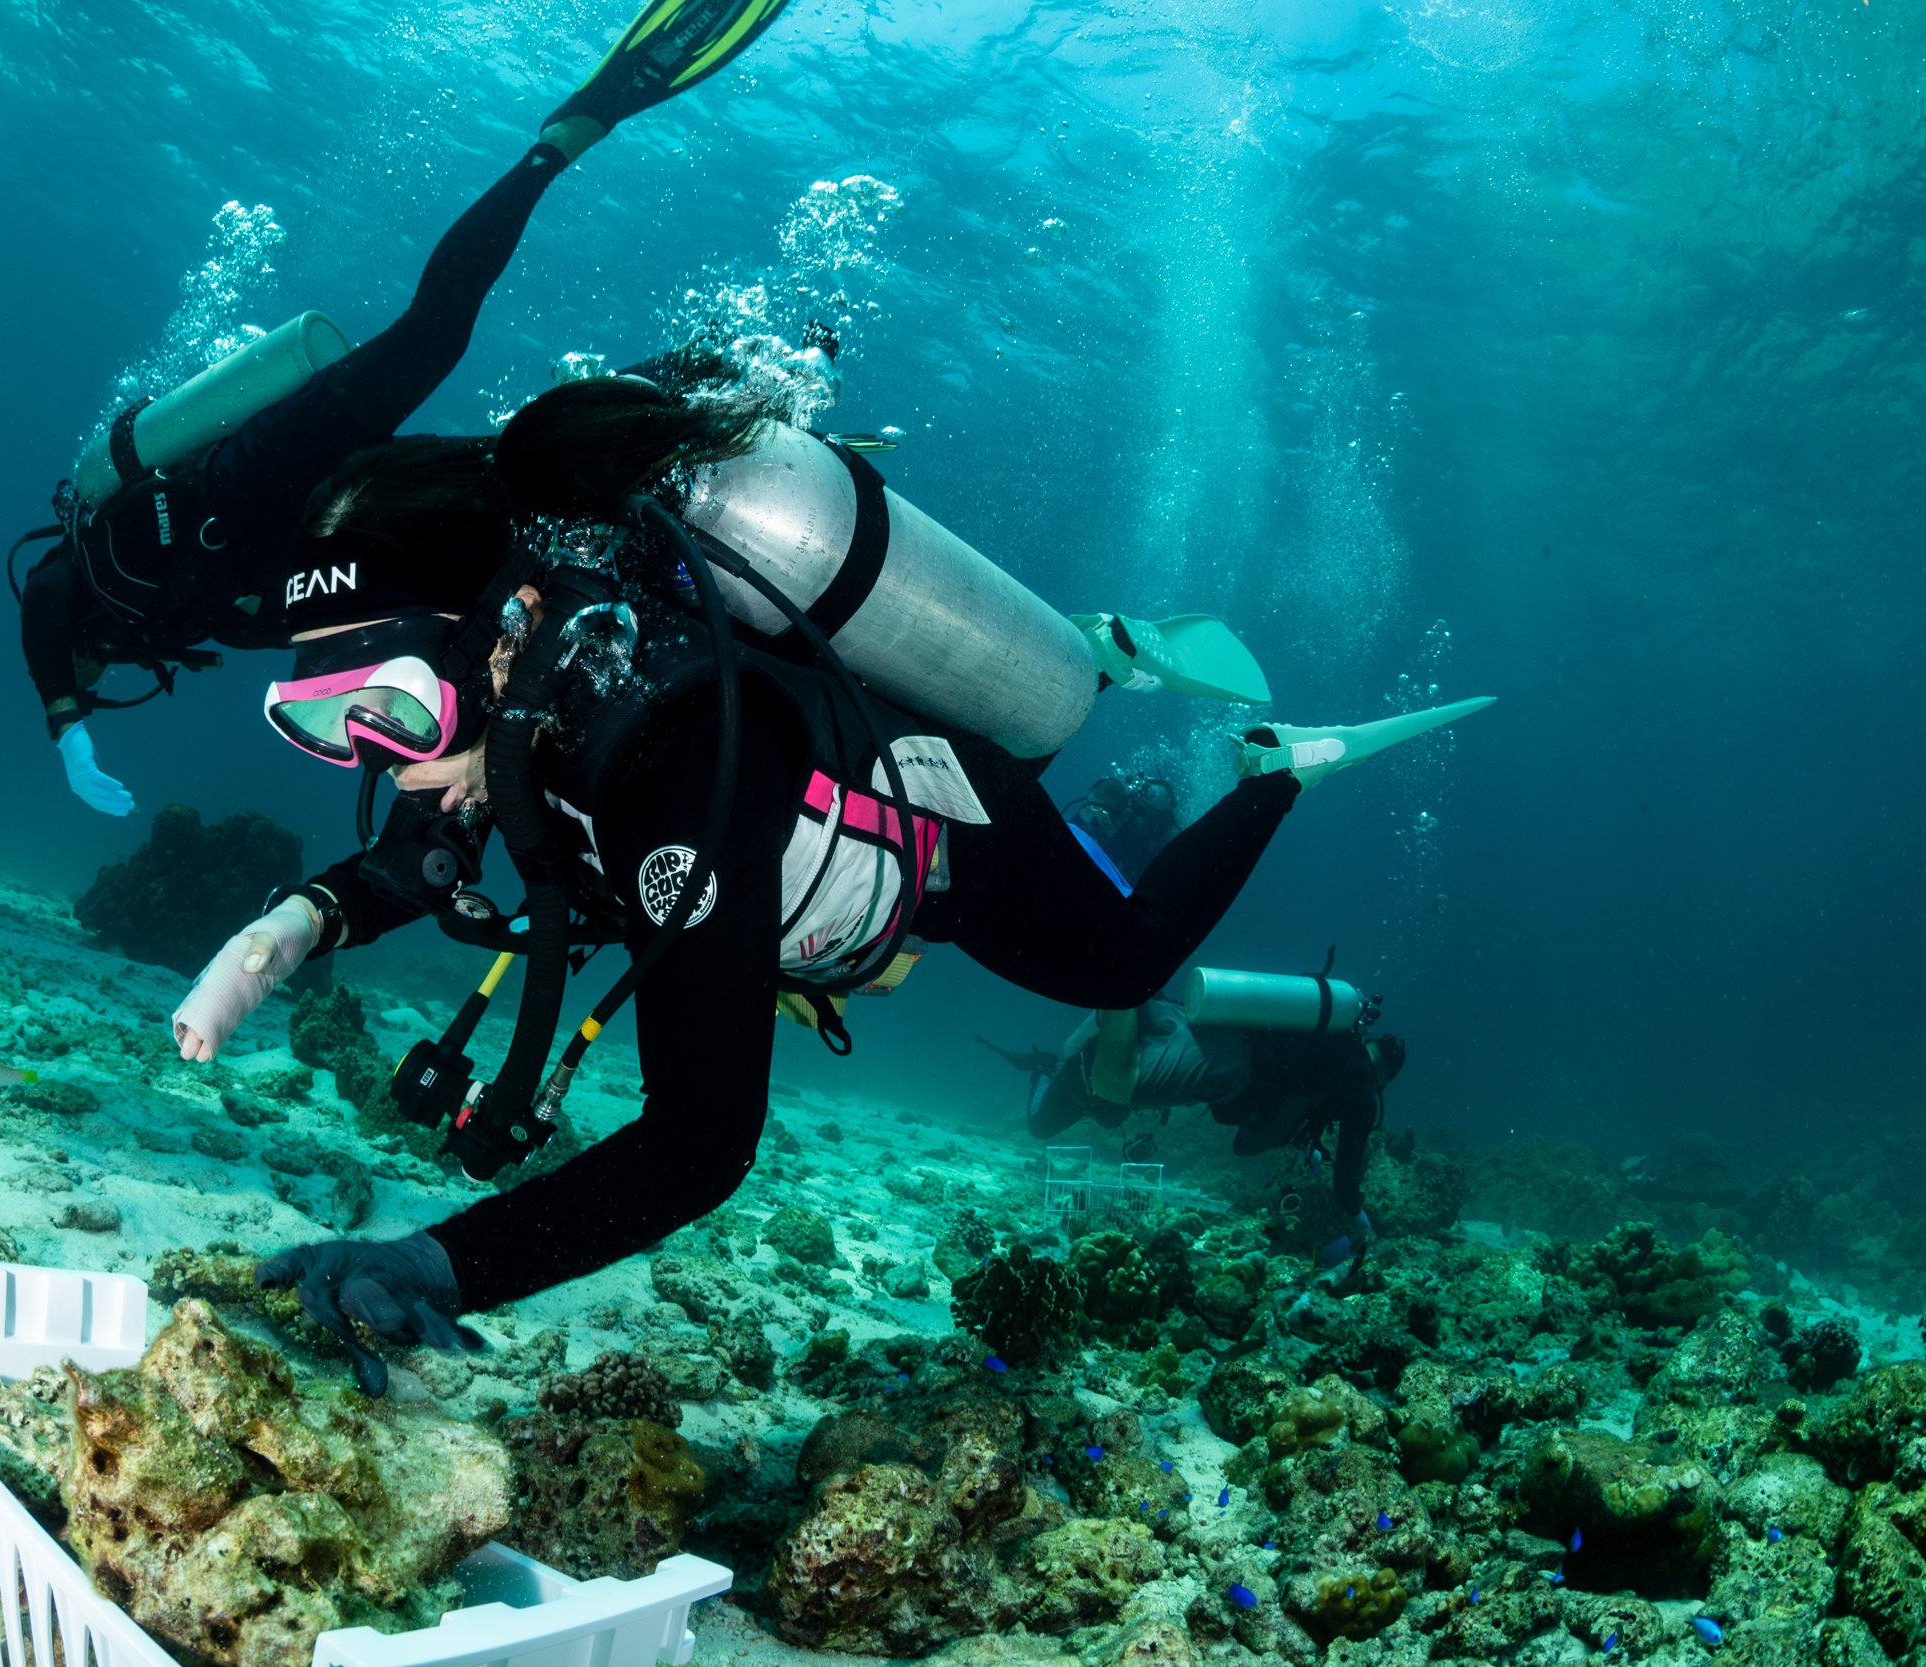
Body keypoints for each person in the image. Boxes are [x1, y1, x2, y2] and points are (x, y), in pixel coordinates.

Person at [167, 375, 1489, 1393]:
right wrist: (288, 925)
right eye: (329, 720)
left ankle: (1272, 769)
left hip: (948, 833)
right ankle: (1108, 671)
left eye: (392, 703)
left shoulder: (670, 757)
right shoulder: (529, 722)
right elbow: (437, 843)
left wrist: (434, 1259)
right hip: (801, 881)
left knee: (1130, 967)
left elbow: (700, 1143)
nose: (381, 761)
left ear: (509, 629)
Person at [17, 0, 795, 816]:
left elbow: (40, 606)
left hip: (252, 474)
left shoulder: (70, 582)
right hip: (322, 524)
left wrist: (64, 724)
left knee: (432, 338)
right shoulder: (148, 631)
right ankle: (711, 380)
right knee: (519, 470)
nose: (92, 681)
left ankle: (564, 136)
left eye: (82, 681)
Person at [1004, 997, 1408, 1220]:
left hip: (1202, 1021)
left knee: (1110, 1111)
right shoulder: (1361, 1092)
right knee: (1096, 1091)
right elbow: (1341, 1179)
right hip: (1217, 1064)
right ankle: (1051, 1067)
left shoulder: (1330, 1035)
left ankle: (1115, 1010)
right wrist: (1358, 1221)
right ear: (1385, 1079)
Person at [1066, 770, 1181, 888]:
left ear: (1123, 817)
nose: (1092, 825)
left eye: (1104, 819)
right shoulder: (1081, 822)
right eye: (1088, 813)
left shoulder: (1140, 844)